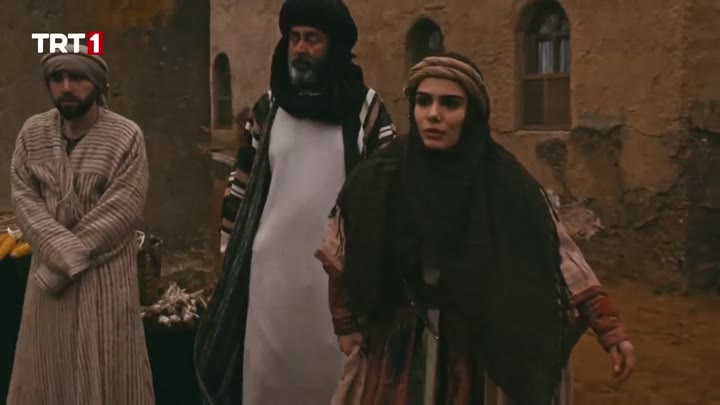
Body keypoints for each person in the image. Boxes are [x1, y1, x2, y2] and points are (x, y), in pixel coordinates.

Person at [315, 53, 637, 404]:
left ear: (473, 113)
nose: (433, 114)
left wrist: (609, 328)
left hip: (480, 341)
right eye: (423, 101)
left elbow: (557, 256)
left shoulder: (505, 183)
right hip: (400, 345)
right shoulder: (381, 176)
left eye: (450, 104)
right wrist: (344, 322)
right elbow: (343, 250)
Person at [193, 0, 397, 403]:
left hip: (336, 282)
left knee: (335, 383)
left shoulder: (366, 109)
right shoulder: (269, 108)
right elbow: (241, 187)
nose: (300, 49)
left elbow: (388, 194)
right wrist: (229, 257)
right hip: (270, 278)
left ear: (334, 45)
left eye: (312, 39)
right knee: (267, 381)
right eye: (294, 38)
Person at [7, 45, 154, 404]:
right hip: (48, 287)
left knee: (108, 371)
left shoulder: (125, 136)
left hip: (103, 279)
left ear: (97, 83)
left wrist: (64, 264)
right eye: (57, 78)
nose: (66, 87)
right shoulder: (32, 133)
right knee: (45, 372)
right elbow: (25, 200)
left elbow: (120, 211)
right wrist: (61, 257)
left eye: (76, 77)